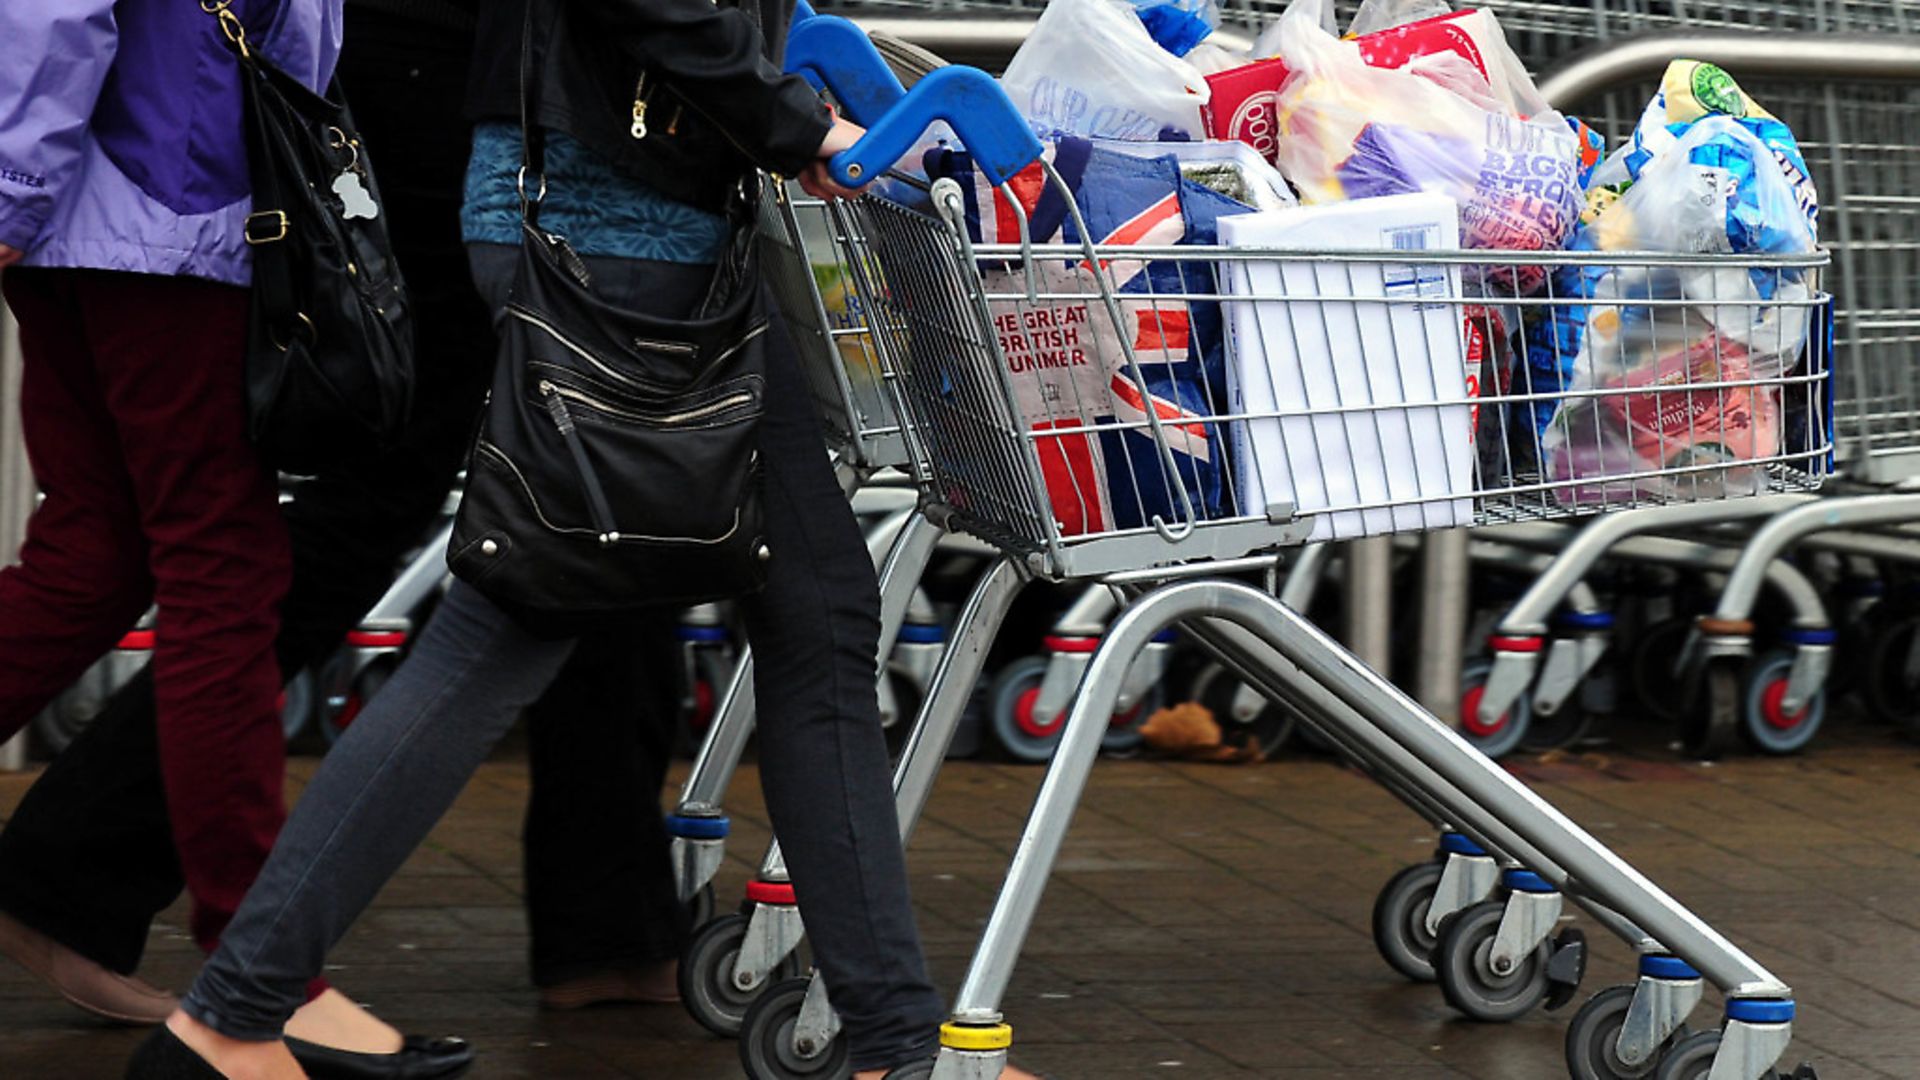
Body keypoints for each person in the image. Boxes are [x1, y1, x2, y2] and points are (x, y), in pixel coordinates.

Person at [130, 1, 1040, 1077]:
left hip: (627, 221)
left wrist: (783, 87)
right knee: (507, 631)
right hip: (613, 235)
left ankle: (893, 1042)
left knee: (817, 615)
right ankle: (232, 1011)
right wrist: (795, 124)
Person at [0, 0, 692, 1029]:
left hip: (180, 186)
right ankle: (254, 969)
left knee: (111, 550)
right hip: (186, 201)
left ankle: (172, 919)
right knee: (249, 552)